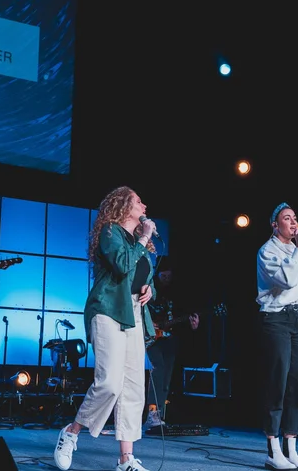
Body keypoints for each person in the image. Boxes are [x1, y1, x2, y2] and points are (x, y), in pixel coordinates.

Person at [53, 186, 157, 471]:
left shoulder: (139, 244)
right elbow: (122, 264)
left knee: (134, 387)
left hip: (134, 312)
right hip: (109, 309)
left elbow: (145, 277)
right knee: (109, 382)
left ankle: (125, 459)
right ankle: (71, 432)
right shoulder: (110, 232)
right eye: (138, 201)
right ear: (123, 206)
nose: (144, 206)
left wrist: (150, 290)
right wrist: (145, 236)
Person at [256, 202, 298, 469]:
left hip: (297, 319)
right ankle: (273, 450)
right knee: (278, 382)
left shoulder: (296, 251)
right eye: (287, 218)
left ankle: (291, 448)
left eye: (295, 218)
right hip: (276, 319)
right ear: (275, 225)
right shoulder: (267, 251)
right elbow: (285, 281)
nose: (294, 223)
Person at [142, 257, 199, 430]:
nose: (166, 278)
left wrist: (193, 324)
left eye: (169, 275)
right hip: (152, 338)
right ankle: (151, 413)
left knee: (167, 376)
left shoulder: (177, 292)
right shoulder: (149, 287)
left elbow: (182, 317)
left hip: (170, 339)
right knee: (158, 369)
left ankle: (160, 414)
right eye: (164, 275)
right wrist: (148, 323)